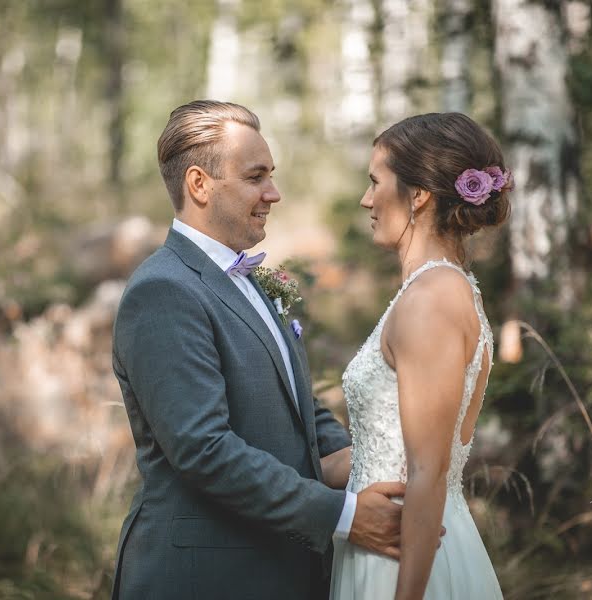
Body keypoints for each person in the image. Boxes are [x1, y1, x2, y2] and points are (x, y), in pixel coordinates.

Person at [110, 100, 406, 600]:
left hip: (278, 566)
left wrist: (358, 460)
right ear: (199, 184)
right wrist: (347, 516)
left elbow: (293, 403)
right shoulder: (163, 291)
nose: (274, 193)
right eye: (256, 177)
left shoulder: (253, 280)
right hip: (203, 577)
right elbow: (204, 450)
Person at [329, 112, 511, 599]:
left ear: (418, 195)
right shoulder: (434, 290)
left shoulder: (431, 301)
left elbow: (427, 472)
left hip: (407, 561)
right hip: (390, 541)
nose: (366, 200)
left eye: (375, 182)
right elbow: (386, 446)